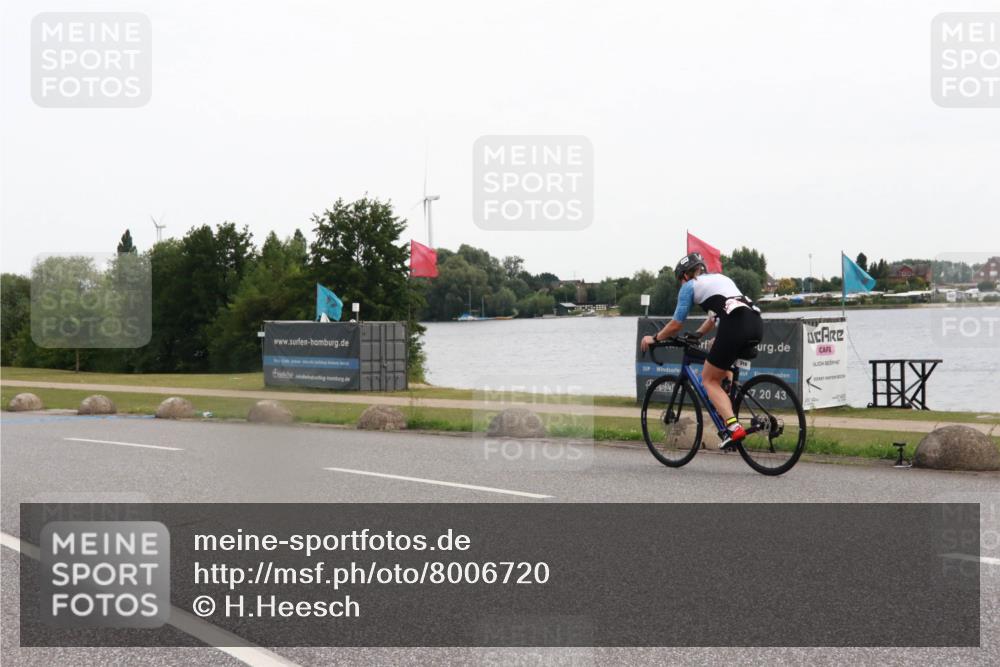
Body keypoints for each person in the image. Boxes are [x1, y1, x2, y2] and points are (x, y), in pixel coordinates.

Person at [639, 252, 764, 448]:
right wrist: (697, 335)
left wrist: (654, 338)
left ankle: (733, 427)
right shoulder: (719, 279)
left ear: (685, 276)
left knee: (708, 379)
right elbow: (714, 317)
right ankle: (728, 400)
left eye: (680, 280)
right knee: (721, 365)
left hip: (735, 325)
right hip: (755, 323)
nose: (681, 283)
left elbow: (675, 324)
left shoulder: (689, 286)